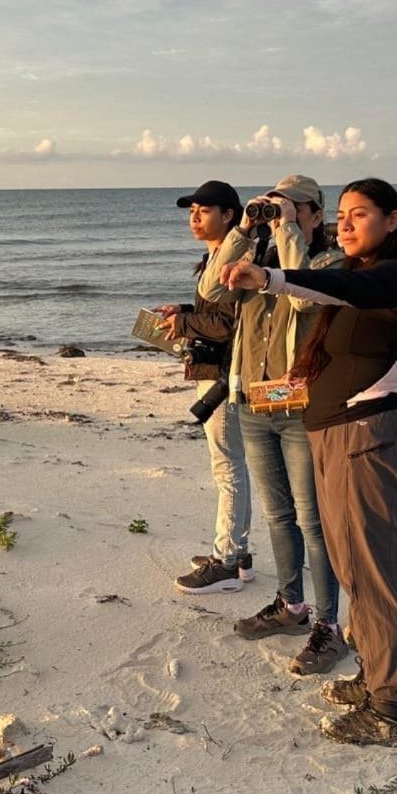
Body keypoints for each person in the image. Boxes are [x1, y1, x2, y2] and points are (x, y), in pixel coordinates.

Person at [221, 178, 397, 747]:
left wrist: (270, 277)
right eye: (343, 214)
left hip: (368, 440)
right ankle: (372, 675)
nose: (346, 224)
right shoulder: (361, 278)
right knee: (351, 569)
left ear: (393, 219)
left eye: (359, 214)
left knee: (374, 573)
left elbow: (336, 287)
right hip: (338, 438)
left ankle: (389, 709)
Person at [200, 174, 346, 676]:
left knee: (313, 520)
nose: (281, 213)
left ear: (316, 213)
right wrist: (243, 230)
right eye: (275, 204)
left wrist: (286, 232)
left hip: (303, 409)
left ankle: (329, 625)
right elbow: (210, 291)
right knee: (279, 515)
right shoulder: (256, 256)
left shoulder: (330, 262)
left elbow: (303, 297)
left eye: (294, 206)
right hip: (255, 404)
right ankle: (291, 605)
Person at [152, 181, 253, 594]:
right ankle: (238, 554)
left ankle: (226, 561)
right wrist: (185, 311)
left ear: (229, 215)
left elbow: (228, 325)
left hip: (224, 375)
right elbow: (219, 312)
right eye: (191, 210)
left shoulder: (236, 258)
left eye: (204, 210)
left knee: (228, 467)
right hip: (215, 370)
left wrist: (185, 322)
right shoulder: (216, 255)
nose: (194, 217)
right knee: (232, 465)